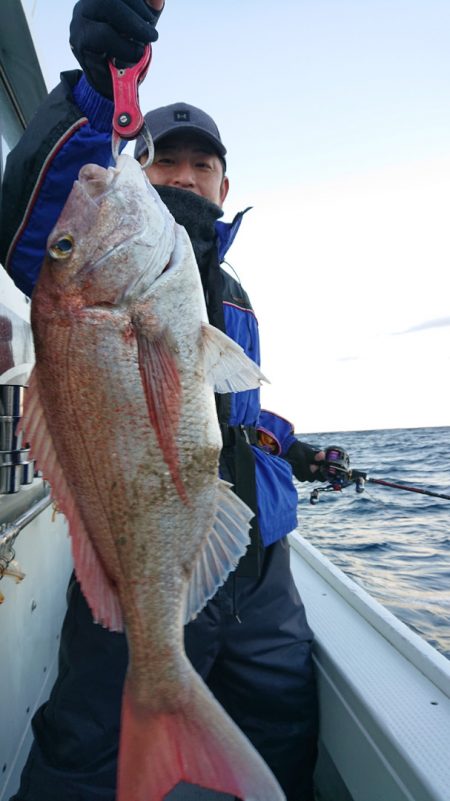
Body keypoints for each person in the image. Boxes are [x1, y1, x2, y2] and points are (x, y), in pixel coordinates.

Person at [0, 2, 344, 799]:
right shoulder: (88, 273)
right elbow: (37, 208)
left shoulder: (226, 289)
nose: (184, 176)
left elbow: (232, 412)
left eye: (201, 164)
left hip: (258, 557)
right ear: (139, 163)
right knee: (84, 748)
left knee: (282, 723)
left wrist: (293, 446)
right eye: (165, 161)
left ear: (226, 183)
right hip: (143, 546)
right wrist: (100, 90)